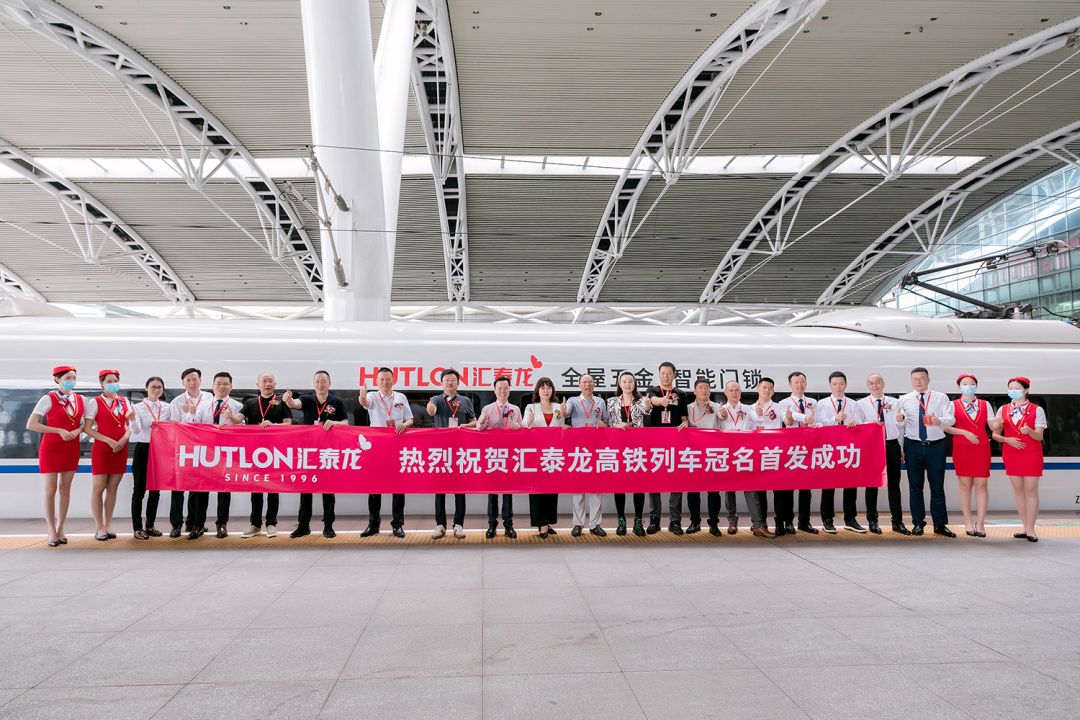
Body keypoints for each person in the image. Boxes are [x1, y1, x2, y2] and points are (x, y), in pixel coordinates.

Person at [225, 372, 292, 538]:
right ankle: (255, 525)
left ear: (275, 384)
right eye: (264, 381)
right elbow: (238, 419)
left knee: (273, 489)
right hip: (254, 452)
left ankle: (271, 524)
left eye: (270, 381)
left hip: (275, 452)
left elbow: (288, 424)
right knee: (255, 488)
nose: (267, 384)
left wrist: (273, 425)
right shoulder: (251, 402)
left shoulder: (281, 403)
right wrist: (230, 415)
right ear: (258, 385)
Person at [284, 370, 349, 539]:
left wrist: (334, 423)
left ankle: (328, 526)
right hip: (309, 451)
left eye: (323, 381)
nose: (320, 384)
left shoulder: (336, 402)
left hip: (328, 452)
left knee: (328, 490)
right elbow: (294, 404)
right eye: (317, 381)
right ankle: (303, 525)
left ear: (329, 384)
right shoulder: (307, 399)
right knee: (306, 489)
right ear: (313, 384)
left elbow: (346, 423)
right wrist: (288, 399)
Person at [26, 366, 84, 546]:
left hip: (71, 447)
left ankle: (60, 528)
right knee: (50, 490)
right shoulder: (48, 399)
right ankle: (51, 529)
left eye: (73, 378)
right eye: (68, 378)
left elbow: (85, 424)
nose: (72, 381)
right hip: (50, 448)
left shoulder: (81, 399)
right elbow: (31, 424)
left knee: (65, 488)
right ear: (58, 379)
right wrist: (58, 430)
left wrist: (78, 430)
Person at [895, 367, 956, 537]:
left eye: (921, 378)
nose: (918, 382)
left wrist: (939, 420)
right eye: (914, 379)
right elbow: (901, 426)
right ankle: (918, 523)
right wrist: (901, 446)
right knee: (915, 487)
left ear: (928, 380)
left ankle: (940, 524)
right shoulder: (904, 400)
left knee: (937, 486)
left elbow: (951, 419)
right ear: (911, 381)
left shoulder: (941, 397)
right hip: (913, 445)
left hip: (936, 445)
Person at [716, 380, 775, 539]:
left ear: (740, 392)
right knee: (729, 490)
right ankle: (732, 521)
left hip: (745, 453)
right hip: (728, 453)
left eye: (737, 390)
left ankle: (757, 524)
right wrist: (721, 417)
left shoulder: (748, 409)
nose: (734, 393)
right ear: (725, 393)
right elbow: (718, 422)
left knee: (751, 488)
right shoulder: (721, 409)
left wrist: (760, 413)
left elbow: (757, 419)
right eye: (731, 390)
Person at [81, 370, 135, 541]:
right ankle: (99, 527)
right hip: (103, 449)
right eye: (109, 381)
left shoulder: (124, 401)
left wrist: (123, 439)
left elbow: (131, 425)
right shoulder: (95, 402)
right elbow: (87, 428)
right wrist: (109, 441)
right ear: (102, 384)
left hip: (121, 448)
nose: (113, 384)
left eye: (115, 381)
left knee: (113, 488)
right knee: (99, 488)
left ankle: (108, 525)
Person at [813, 371, 869, 533]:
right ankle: (827, 520)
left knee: (850, 484)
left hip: (848, 449)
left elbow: (860, 424)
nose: (838, 387)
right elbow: (818, 424)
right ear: (830, 385)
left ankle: (850, 519)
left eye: (841, 383)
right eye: (835, 384)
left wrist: (855, 423)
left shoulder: (853, 404)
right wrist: (835, 419)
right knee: (828, 485)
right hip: (829, 449)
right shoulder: (822, 404)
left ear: (846, 385)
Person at [992, 377, 1046, 542]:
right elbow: (995, 434)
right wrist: (1005, 438)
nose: (1013, 391)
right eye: (1010, 388)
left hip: (1032, 453)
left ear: (1026, 390)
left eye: (1017, 388)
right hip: (1011, 453)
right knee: (1018, 490)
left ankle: (1031, 529)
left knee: (1031, 490)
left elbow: (1039, 436)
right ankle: (1024, 526)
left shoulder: (1037, 410)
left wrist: (1029, 431)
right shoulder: (1003, 409)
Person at [944, 374, 997, 538]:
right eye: (965, 383)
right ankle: (967, 521)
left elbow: (992, 425)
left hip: (982, 447)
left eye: (972, 383)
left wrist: (1001, 421)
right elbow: (945, 427)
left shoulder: (985, 404)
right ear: (959, 387)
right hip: (962, 447)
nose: (968, 386)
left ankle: (980, 523)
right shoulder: (952, 405)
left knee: (982, 485)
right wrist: (964, 432)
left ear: (976, 386)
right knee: (965, 484)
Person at [425, 369, 474, 539]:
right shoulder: (436, 400)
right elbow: (431, 411)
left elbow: (474, 421)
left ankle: (458, 525)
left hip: (460, 450)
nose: (450, 383)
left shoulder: (465, 401)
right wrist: (430, 408)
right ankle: (440, 524)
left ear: (458, 383)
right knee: (440, 488)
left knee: (460, 489)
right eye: (446, 380)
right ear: (441, 383)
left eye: (453, 380)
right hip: (441, 450)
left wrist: (466, 426)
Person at [856, 374, 906, 535]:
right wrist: (868, 424)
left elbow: (901, 427)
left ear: (883, 384)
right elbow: (856, 427)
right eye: (871, 383)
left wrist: (901, 446)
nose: (874, 385)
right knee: (872, 486)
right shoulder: (861, 404)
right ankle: (872, 521)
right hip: (872, 447)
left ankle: (897, 522)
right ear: (867, 386)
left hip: (892, 445)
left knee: (894, 485)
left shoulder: (894, 402)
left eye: (877, 382)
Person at [645, 362, 689, 534]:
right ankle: (654, 519)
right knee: (654, 481)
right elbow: (652, 400)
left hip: (675, 444)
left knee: (676, 482)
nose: (665, 376)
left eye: (669, 373)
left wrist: (685, 424)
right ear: (659, 375)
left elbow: (684, 417)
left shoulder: (681, 394)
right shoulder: (653, 390)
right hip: (655, 444)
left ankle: (675, 520)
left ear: (674, 375)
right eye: (663, 373)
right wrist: (661, 401)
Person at [168, 367, 213, 537]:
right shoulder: (177, 402)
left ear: (200, 381)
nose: (192, 383)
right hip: (182, 449)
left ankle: (193, 523)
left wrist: (194, 415)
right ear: (183, 383)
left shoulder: (209, 398)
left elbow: (209, 423)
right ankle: (176, 525)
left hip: (202, 448)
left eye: (195, 379)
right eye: (188, 380)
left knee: (197, 487)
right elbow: (175, 427)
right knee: (178, 488)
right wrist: (190, 417)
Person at [562, 373, 608, 537]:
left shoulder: (600, 402)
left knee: (596, 488)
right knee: (578, 488)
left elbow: (606, 421)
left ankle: (595, 524)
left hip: (596, 448)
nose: (587, 385)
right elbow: (566, 413)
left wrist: (603, 423)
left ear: (594, 384)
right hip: (579, 450)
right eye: (584, 382)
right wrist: (563, 411)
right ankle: (578, 524)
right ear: (579, 385)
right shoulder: (573, 401)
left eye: (590, 382)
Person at [477, 376, 521, 539]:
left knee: (508, 493)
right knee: (493, 492)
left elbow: (521, 428)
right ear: (495, 391)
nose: (503, 391)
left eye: (505, 388)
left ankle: (508, 525)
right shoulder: (487, 409)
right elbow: (479, 428)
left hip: (509, 456)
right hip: (493, 456)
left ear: (509, 390)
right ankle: (492, 524)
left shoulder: (515, 409)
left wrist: (519, 426)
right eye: (499, 388)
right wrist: (481, 422)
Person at [607, 371, 648, 536]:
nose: (627, 384)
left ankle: (638, 521)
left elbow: (648, 413)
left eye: (630, 381)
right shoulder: (611, 401)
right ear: (619, 384)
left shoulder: (641, 401)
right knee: (619, 485)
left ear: (634, 383)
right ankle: (621, 520)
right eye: (624, 381)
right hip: (618, 447)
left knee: (639, 485)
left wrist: (648, 406)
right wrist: (616, 426)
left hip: (637, 448)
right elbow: (608, 422)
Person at [776, 371, 818, 534]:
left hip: (809, 447)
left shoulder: (813, 402)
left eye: (802, 381)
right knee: (788, 487)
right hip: (791, 449)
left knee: (806, 487)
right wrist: (804, 418)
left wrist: (816, 424)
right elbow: (789, 417)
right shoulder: (784, 403)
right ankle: (788, 522)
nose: (799, 385)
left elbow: (817, 421)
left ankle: (804, 521)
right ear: (790, 385)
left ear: (806, 384)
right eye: (796, 382)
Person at [130, 376, 171, 539]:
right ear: (146, 388)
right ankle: (137, 528)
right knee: (139, 490)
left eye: (159, 387)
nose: (156, 390)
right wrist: (132, 420)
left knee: (155, 490)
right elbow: (136, 430)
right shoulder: (138, 407)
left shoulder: (167, 407)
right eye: (153, 387)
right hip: (143, 447)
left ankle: (150, 525)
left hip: (160, 449)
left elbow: (171, 428)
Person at [523, 377, 562, 538]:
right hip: (536, 454)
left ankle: (548, 521)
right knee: (537, 490)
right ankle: (542, 524)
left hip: (553, 454)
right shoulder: (531, 407)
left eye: (549, 387)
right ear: (537, 391)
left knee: (552, 490)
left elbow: (561, 427)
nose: (546, 391)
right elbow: (524, 425)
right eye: (542, 388)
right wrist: (529, 421)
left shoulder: (559, 407)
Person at [208, 372, 243, 538]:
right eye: (218, 383)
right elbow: (194, 424)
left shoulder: (238, 406)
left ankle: (221, 524)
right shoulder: (204, 405)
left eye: (225, 384)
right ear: (213, 386)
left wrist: (231, 425)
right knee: (200, 488)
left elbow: (244, 429)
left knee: (223, 488)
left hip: (226, 452)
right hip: (206, 450)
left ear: (231, 387)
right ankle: (197, 523)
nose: (221, 387)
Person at [749, 377, 781, 533]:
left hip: (774, 453)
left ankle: (780, 523)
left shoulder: (779, 407)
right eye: (764, 387)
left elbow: (788, 420)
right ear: (757, 389)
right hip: (756, 454)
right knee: (759, 489)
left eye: (770, 388)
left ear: (773, 391)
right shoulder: (749, 408)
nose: (767, 390)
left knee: (778, 489)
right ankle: (761, 522)